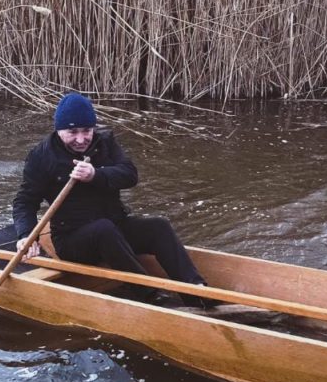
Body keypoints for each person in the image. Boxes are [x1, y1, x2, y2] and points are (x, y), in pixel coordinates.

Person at [11, 92, 215, 307]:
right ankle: (150, 295)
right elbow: (25, 202)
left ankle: (195, 291)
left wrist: (96, 175)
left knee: (158, 226)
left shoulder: (105, 143)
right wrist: (26, 235)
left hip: (115, 227)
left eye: (86, 131)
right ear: (59, 130)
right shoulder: (41, 157)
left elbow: (130, 175)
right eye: (72, 132)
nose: (81, 139)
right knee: (103, 229)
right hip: (73, 241)